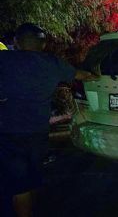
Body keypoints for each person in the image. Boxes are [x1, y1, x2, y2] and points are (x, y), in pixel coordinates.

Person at [0, 23, 98, 217]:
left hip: (9, 131)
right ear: (43, 45)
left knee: (19, 183)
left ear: (16, 42)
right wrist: (97, 74)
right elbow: (83, 75)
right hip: (38, 131)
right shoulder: (52, 63)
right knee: (32, 176)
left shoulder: (4, 60)